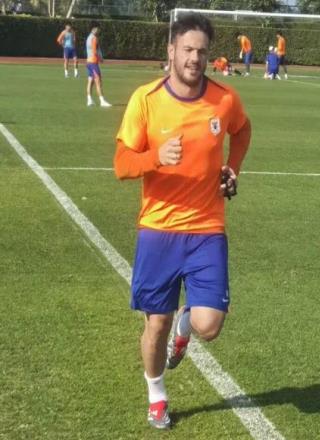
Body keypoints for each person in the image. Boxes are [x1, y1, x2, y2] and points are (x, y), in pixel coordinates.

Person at [113, 13, 252, 430]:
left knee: (210, 325)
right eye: (188, 49)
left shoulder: (225, 99)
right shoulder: (146, 99)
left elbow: (242, 131)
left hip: (207, 227)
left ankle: (186, 322)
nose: (195, 58)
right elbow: (122, 164)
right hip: (158, 229)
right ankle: (156, 394)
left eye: (202, 51)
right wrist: (155, 158)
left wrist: (233, 168)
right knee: (155, 324)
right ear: (171, 50)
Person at [85, 23, 111, 107]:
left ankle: (89, 100)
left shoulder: (88, 37)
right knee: (98, 81)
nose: (98, 31)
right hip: (93, 62)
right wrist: (100, 59)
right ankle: (102, 101)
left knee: (90, 81)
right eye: (97, 29)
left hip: (89, 62)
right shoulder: (94, 38)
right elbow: (94, 51)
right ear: (94, 29)